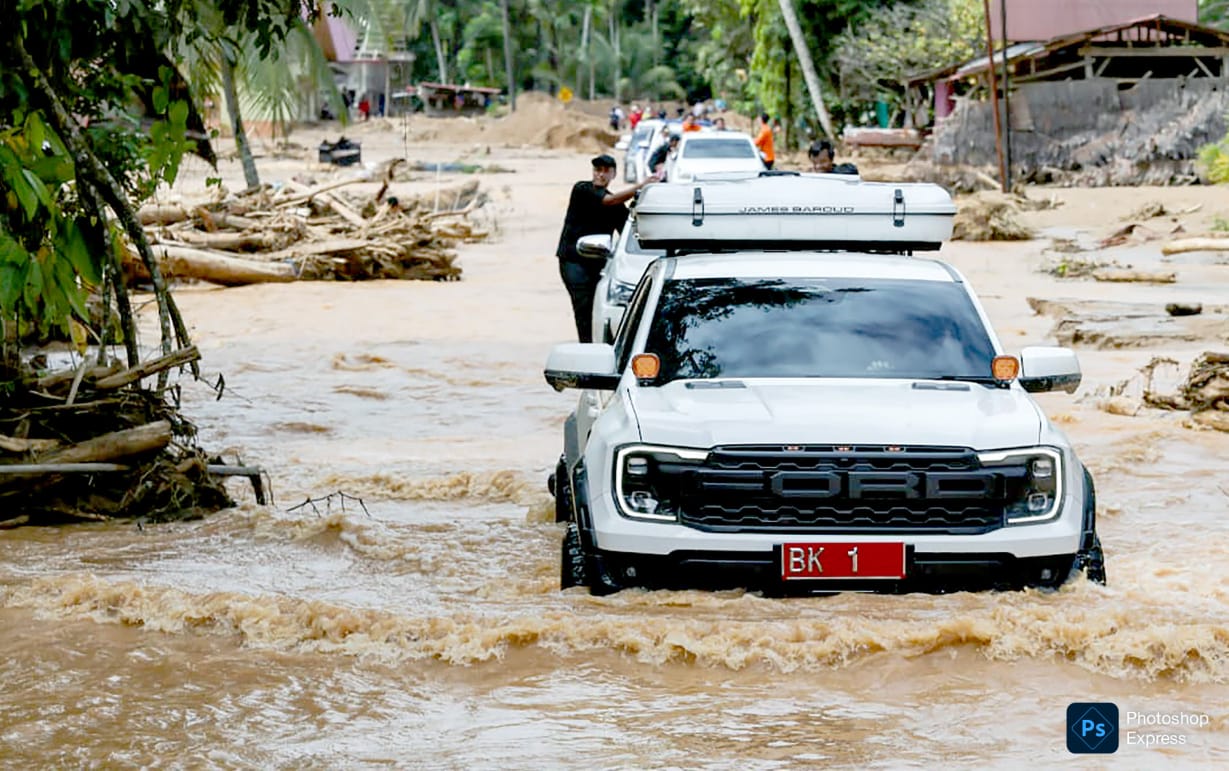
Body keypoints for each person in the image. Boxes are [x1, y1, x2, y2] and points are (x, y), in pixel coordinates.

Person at [555, 155, 660, 342]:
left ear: (613, 174)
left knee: (602, 306)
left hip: (600, 263)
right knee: (584, 308)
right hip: (574, 261)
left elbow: (633, 231)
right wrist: (641, 186)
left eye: (606, 171)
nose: (601, 175)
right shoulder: (582, 189)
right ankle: (587, 348)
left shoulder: (617, 207)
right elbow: (608, 201)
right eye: (598, 170)